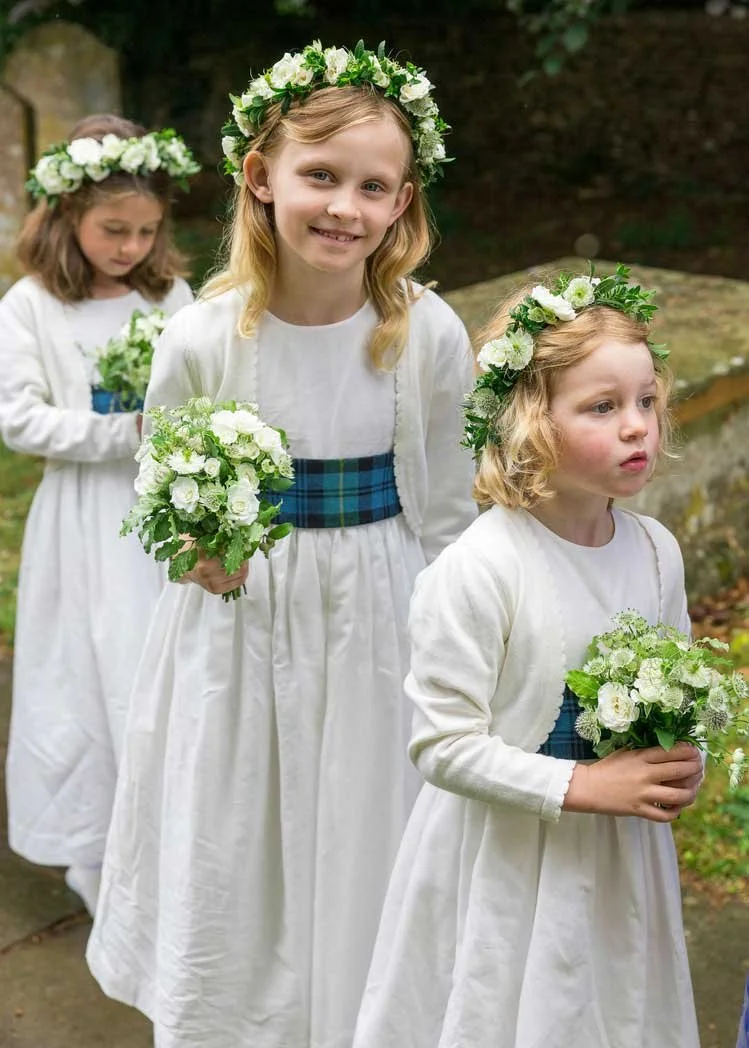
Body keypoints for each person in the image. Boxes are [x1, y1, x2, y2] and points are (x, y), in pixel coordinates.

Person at [85, 41, 476, 1048]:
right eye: (319, 176)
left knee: (364, 816)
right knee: (238, 821)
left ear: (400, 203)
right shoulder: (206, 337)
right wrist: (195, 551)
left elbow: (443, 506)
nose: (342, 205)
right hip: (241, 613)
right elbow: (164, 482)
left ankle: (364, 1016)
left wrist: (460, 639)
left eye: (371, 186)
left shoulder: (421, 333)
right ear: (261, 178)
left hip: (377, 610)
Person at [352, 267, 704, 1048]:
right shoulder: (480, 570)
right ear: (526, 423)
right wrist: (581, 782)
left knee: (612, 1009)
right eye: (601, 407)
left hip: (620, 858)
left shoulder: (654, 553)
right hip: (507, 862)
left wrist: (683, 758)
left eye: (646, 400)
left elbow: (683, 689)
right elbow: (442, 745)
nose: (637, 426)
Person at [0, 113, 198, 915]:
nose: (131, 248)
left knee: (163, 666)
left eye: (147, 231)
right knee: (89, 669)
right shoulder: (33, 305)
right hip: (84, 515)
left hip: (164, 506)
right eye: (114, 229)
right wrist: (120, 431)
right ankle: (92, 845)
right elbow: (18, 417)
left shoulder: (170, 294)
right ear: (68, 216)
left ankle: (169, 839)